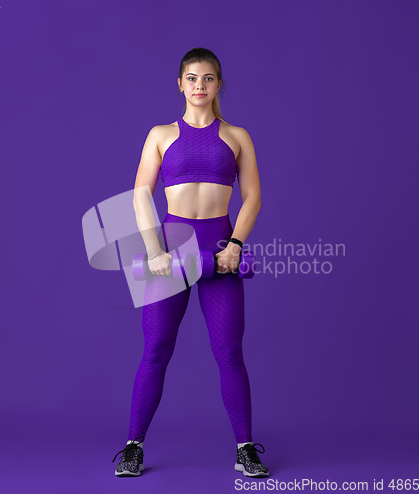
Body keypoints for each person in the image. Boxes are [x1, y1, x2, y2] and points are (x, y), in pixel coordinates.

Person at [112, 47, 269, 478]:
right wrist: (154, 251)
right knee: (156, 350)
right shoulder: (161, 134)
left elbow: (253, 196)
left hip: (219, 248)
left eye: (209, 78)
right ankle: (132, 446)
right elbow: (140, 194)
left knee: (229, 353)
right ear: (179, 84)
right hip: (170, 247)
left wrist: (236, 242)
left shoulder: (236, 136)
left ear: (219, 85)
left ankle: (245, 449)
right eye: (192, 78)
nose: (200, 85)